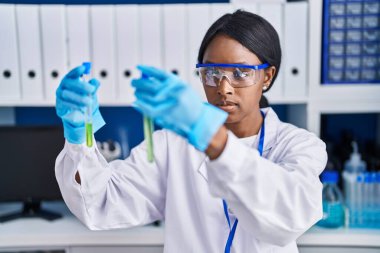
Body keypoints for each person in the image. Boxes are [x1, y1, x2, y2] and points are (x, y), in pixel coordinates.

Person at [55, 10, 327, 253]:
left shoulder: (299, 145)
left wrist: (211, 137)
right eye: (211, 73)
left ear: (267, 76)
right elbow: (101, 204)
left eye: (241, 73)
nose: (223, 88)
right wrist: (79, 135)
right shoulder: (171, 146)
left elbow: (288, 219)